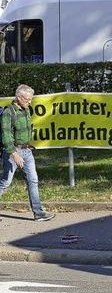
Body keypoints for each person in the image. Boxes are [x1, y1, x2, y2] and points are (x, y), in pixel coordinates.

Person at [0, 84, 54, 221]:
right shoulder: (8, 112)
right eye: (27, 99)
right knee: (5, 182)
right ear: (18, 97)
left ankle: (38, 213)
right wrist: (14, 153)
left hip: (27, 151)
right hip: (13, 152)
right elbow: (6, 135)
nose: (30, 102)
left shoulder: (27, 110)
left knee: (33, 180)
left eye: (31, 99)